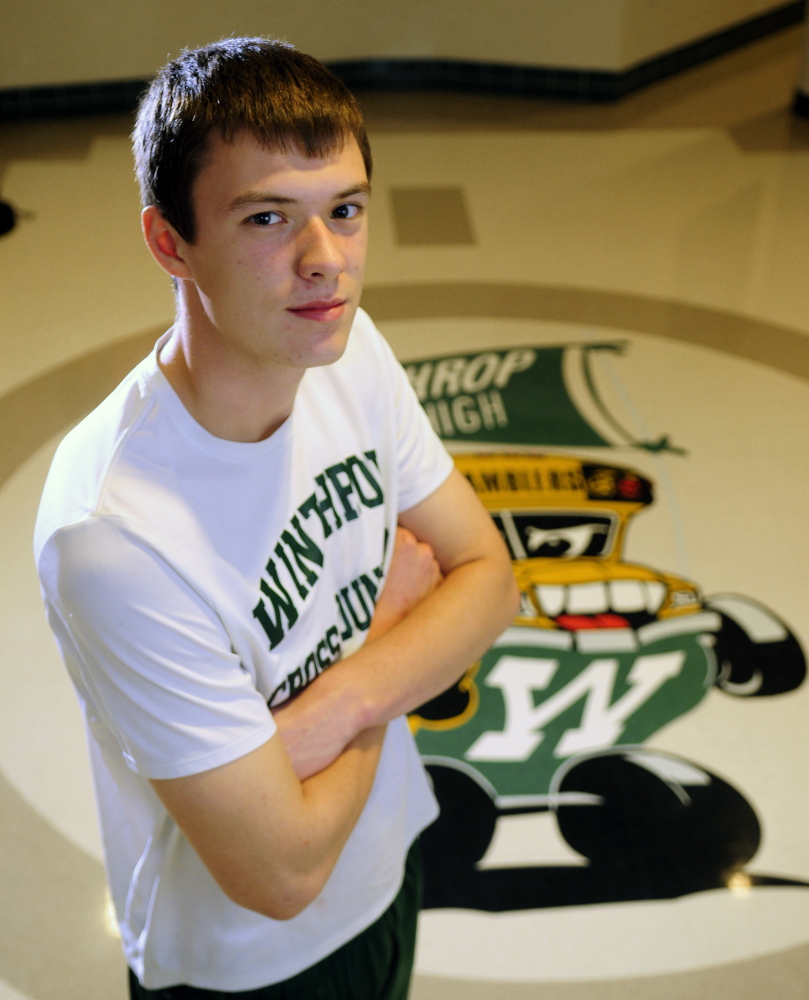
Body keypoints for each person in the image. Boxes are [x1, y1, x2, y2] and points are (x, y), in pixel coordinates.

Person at [34, 36, 518, 1000]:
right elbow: (278, 874)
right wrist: (391, 642)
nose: (324, 263)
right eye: (268, 218)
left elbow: (489, 582)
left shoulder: (346, 352)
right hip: (241, 969)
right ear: (169, 241)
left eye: (344, 211)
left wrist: (329, 711)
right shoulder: (110, 534)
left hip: (387, 859)